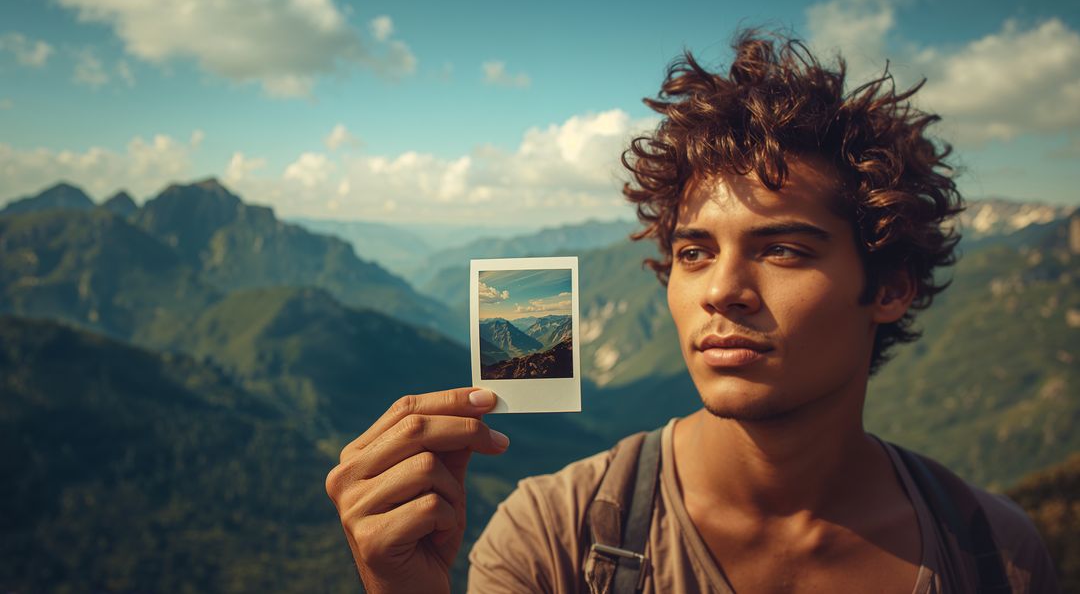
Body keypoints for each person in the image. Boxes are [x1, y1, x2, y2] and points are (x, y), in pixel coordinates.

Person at [325, 30, 1059, 593]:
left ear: (890, 286)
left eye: (785, 251)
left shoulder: (996, 556)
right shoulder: (554, 537)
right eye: (695, 252)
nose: (721, 290)